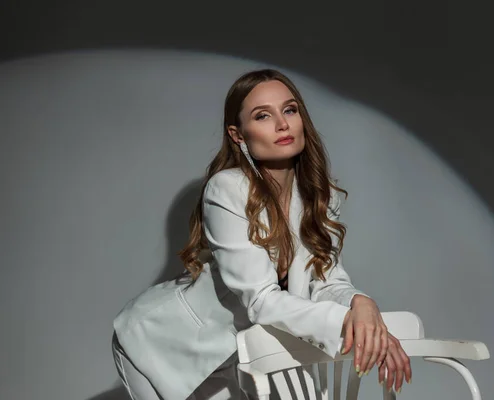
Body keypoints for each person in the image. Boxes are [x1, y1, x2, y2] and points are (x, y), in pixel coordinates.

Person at [111, 69, 412, 400]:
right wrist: (354, 327)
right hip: (165, 344)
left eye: (290, 110)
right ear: (238, 135)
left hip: (241, 353)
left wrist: (361, 305)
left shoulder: (318, 197)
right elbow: (261, 300)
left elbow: (326, 282)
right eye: (262, 116)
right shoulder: (227, 189)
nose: (282, 124)